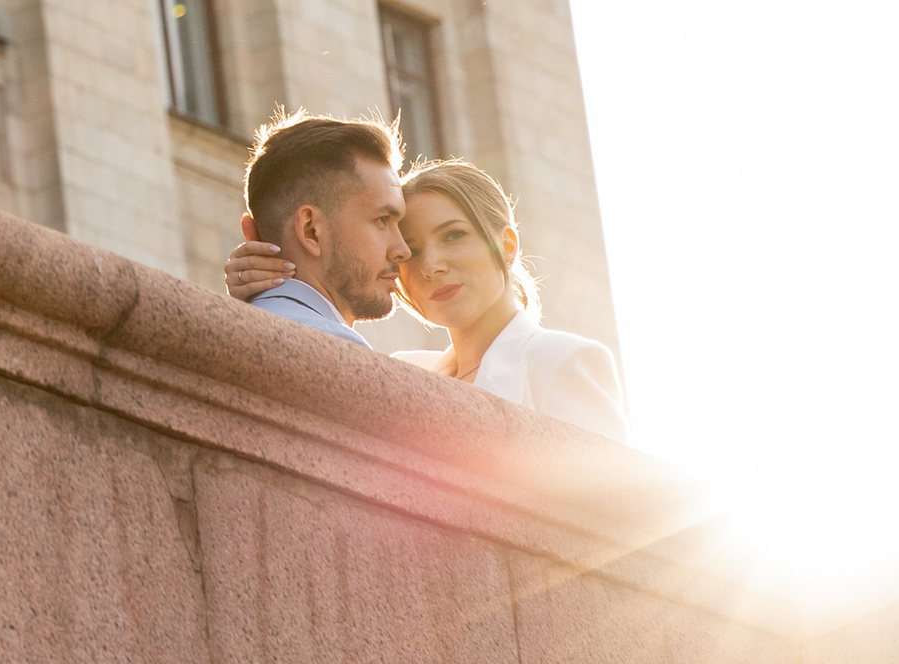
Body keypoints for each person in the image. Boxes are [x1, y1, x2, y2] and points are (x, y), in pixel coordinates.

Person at [228, 123, 630, 442]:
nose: (429, 264)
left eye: (454, 235)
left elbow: (619, 522)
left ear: (507, 244)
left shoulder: (562, 361)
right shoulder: (401, 371)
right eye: (412, 247)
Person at [234, 110, 412, 345]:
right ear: (311, 231)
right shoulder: (336, 345)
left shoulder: (230, 328)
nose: (403, 250)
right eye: (382, 220)